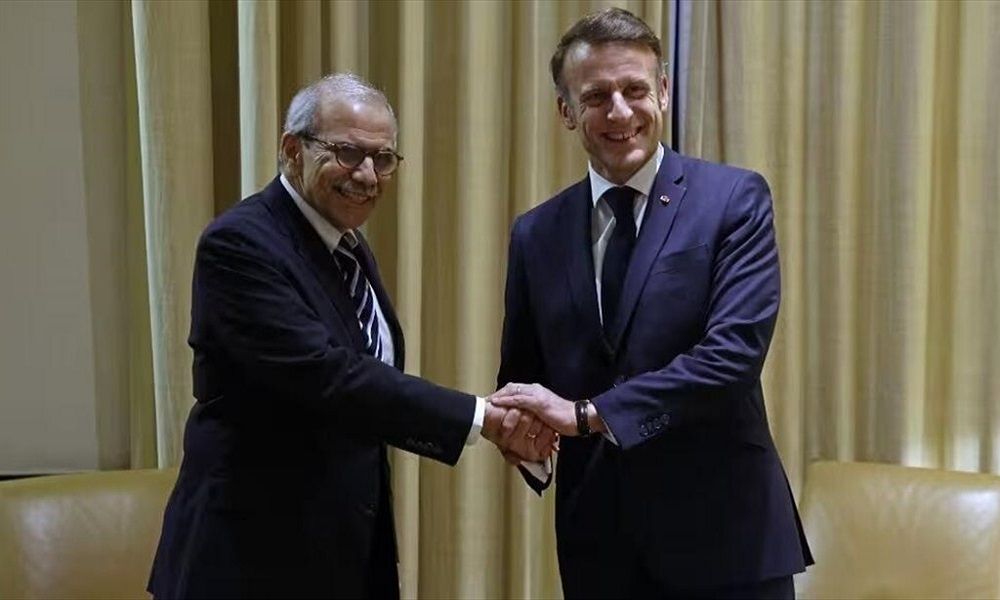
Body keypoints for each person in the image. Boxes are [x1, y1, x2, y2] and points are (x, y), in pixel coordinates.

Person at [147, 73, 554, 600]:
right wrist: (482, 418)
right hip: (250, 560)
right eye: (347, 153)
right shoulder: (241, 245)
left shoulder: (348, 247)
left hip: (343, 552)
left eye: (383, 159)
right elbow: (332, 377)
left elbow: (366, 392)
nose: (366, 175)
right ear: (292, 150)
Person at [490, 8, 813, 599]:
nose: (619, 112)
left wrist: (588, 415)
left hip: (727, 544)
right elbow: (525, 376)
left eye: (635, 90)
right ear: (566, 111)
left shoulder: (732, 199)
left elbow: (733, 357)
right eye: (596, 96)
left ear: (662, 92)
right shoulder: (536, 233)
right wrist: (520, 431)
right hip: (600, 550)